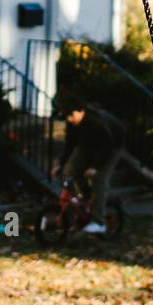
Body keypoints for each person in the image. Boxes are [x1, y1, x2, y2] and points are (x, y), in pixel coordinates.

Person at [55, 94, 125, 235]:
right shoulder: (73, 122)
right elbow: (70, 145)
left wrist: (95, 167)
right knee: (74, 169)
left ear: (81, 111)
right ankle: (87, 201)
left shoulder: (95, 122)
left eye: (70, 115)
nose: (69, 119)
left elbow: (107, 146)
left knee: (99, 179)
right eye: (66, 116)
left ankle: (99, 222)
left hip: (112, 145)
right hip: (90, 144)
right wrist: (60, 164)